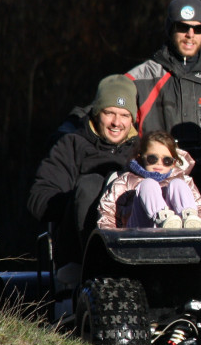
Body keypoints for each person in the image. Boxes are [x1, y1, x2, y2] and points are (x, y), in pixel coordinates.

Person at [28, 75, 140, 265]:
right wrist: (81, 199)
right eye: (109, 113)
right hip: (78, 252)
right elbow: (39, 200)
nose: (116, 122)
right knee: (91, 185)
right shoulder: (71, 145)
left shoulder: (143, 151)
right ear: (96, 113)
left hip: (132, 251)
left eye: (124, 115)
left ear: (132, 119)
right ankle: (89, 269)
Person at [125, 0, 201, 164]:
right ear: (170, 28)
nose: (190, 35)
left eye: (198, 29)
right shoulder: (141, 78)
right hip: (159, 172)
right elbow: (105, 112)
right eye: (183, 27)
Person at [96, 131, 201, 230]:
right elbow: (108, 212)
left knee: (178, 183)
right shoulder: (126, 180)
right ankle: (162, 217)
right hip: (138, 232)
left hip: (178, 231)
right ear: (141, 157)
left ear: (173, 163)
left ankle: (189, 219)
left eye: (166, 160)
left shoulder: (185, 180)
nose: (159, 163)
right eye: (152, 159)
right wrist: (112, 239)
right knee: (148, 184)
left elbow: (200, 209)